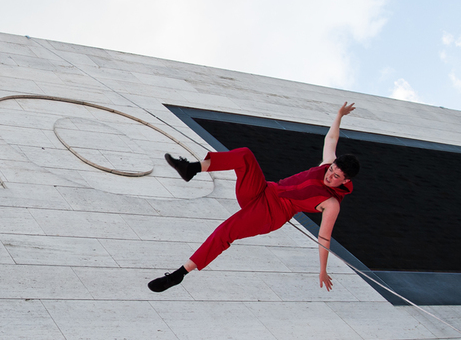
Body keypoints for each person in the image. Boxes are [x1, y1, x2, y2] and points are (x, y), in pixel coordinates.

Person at [149, 102, 359, 293]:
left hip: (271, 213)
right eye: (331, 170)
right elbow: (331, 138)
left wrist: (322, 270)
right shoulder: (328, 165)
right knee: (245, 155)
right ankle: (191, 169)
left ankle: (179, 274)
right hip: (264, 190)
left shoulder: (331, 205)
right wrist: (339, 115)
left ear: (345, 181)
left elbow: (324, 239)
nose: (329, 176)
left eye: (336, 176)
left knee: (226, 230)